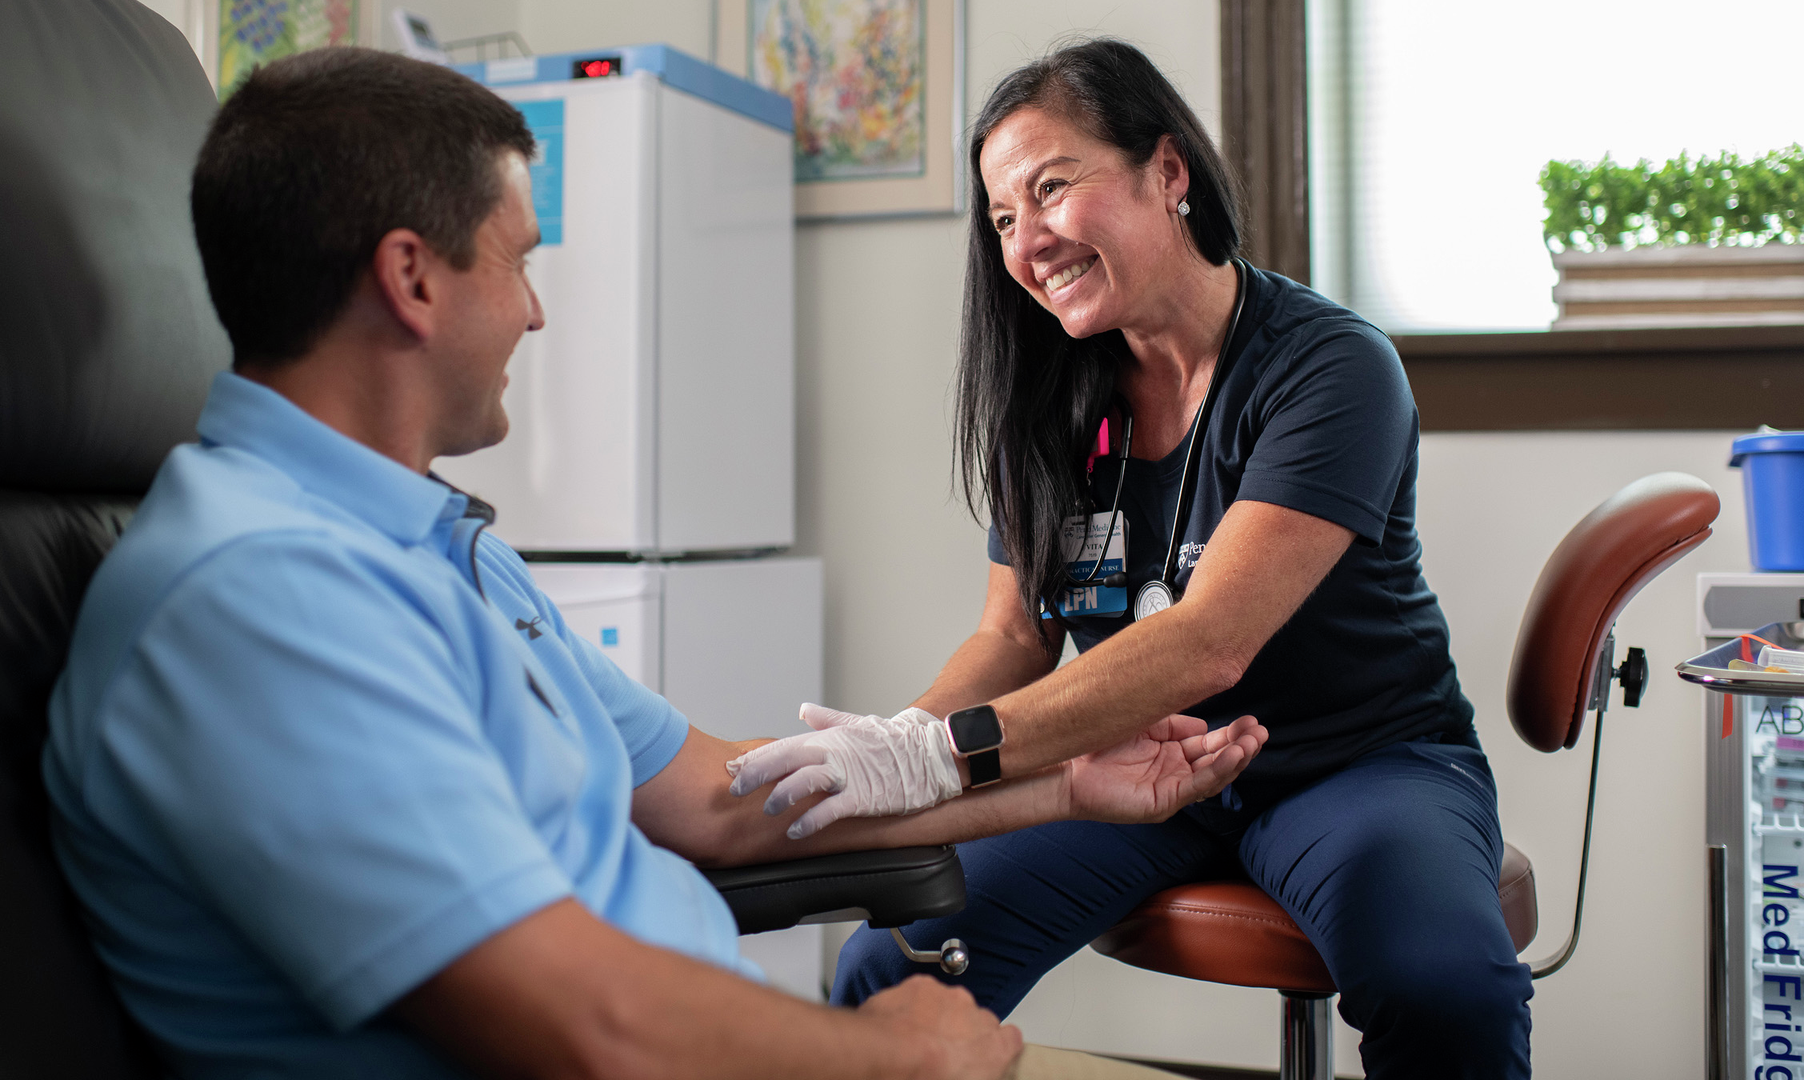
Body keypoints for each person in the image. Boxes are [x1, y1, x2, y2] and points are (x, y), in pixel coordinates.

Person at [41, 47, 1269, 1080]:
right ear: (411, 278)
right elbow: (583, 1020)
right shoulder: (253, 602)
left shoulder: (432, 545)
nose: (535, 312)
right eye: (518, 260)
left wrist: (1067, 787)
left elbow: (717, 802)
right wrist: (894, 1056)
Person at [726, 39, 1532, 1078]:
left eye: (1051, 189)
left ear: (1168, 170)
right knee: (892, 963)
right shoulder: (1053, 399)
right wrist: (903, 741)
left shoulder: (1330, 368)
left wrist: (941, 758)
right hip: (1132, 769)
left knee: (1444, 990)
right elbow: (1015, 634)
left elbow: (1208, 640)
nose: (1028, 241)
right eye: (1004, 219)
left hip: (1356, 763)